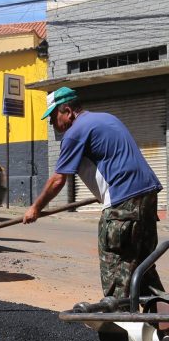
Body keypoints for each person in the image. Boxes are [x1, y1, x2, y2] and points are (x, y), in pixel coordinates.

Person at [23, 86, 163, 300]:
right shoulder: (106, 118)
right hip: (148, 195)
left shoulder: (74, 132)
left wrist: (35, 208)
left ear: (67, 111)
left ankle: (117, 327)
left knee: (116, 270)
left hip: (123, 201)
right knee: (142, 267)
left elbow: (58, 180)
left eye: (53, 116)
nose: (52, 123)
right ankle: (163, 324)